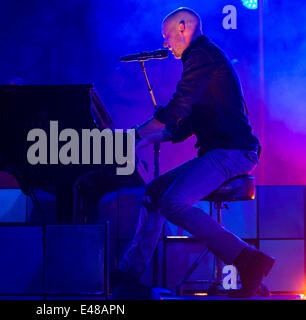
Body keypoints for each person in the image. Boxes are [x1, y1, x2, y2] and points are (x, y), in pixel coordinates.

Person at [112, 7, 275, 299]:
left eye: (167, 36)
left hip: (234, 151)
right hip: (219, 151)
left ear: (183, 27)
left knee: (172, 201)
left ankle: (247, 259)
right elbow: (184, 125)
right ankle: (127, 276)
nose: (165, 44)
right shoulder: (200, 59)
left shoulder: (202, 56)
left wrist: (136, 134)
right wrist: (141, 140)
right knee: (154, 193)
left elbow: (178, 107)